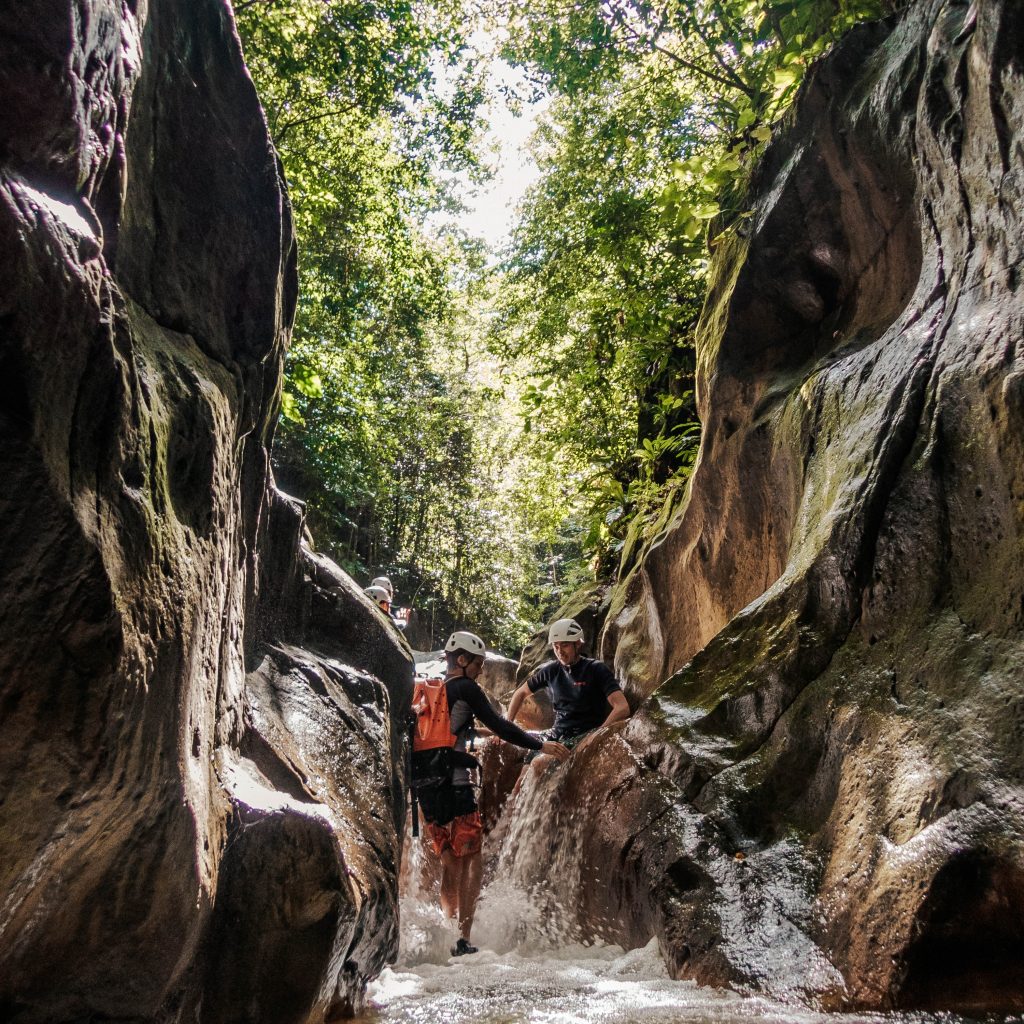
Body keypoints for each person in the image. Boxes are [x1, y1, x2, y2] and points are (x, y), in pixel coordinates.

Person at [417, 630, 569, 956]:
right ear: (462, 660)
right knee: (472, 858)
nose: (481, 670)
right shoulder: (466, 687)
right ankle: (463, 940)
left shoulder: (437, 692)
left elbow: (460, 730)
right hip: (456, 787)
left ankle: (448, 931)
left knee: (449, 863)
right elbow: (501, 725)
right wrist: (541, 743)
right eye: (478, 663)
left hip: (427, 790)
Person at [507, 618, 630, 753]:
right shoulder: (551, 670)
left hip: (584, 733)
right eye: (556, 646)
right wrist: (508, 725)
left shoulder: (596, 669)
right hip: (557, 733)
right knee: (511, 742)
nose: (560, 651)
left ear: (577, 644)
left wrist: (597, 734)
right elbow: (521, 693)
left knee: (539, 764)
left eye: (565, 645)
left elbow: (622, 708)